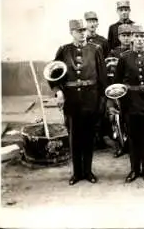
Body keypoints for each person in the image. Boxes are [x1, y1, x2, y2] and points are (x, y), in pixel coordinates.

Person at [48, 19, 107, 185]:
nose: (82, 33)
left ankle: (88, 172)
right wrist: (58, 91)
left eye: (83, 30)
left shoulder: (96, 49)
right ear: (71, 32)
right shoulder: (64, 50)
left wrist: (103, 100)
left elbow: (102, 76)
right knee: (74, 138)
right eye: (78, 31)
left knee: (89, 137)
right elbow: (53, 74)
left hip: (90, 99)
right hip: (72, 101)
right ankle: (77, 173)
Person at [109, 24, 144, 183]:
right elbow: (117, 82)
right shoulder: (124, 58)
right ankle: (134, 169)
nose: (140, 40)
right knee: (132, 139)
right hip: (130, 104)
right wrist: (117, 103)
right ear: (132, 38)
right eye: (137, 36)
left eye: (143, 37)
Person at [84, 11, 110, 150]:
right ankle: (89, 139)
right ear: (86, 23)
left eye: (94, 21)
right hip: (86, 80)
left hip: (98, 79)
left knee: (100, 109)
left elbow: (105, 61)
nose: (92, 24)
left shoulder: (103, 41)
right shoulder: (82, 40)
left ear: (97, 23)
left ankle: (100, 137)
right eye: (89, 21)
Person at [106, 23, 133, 158]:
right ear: (119, 37)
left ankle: (133, 146)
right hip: (118, 91)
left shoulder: (136, 51)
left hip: (133, 92)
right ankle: (121, 146)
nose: (127, 39)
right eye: (124, 36)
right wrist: (113, 94)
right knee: (117, 119)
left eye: (129, 35)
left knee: (132, 120)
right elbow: (110, 75)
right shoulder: (113, 53)